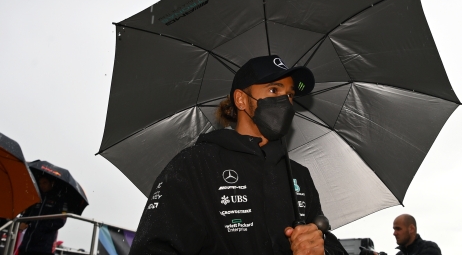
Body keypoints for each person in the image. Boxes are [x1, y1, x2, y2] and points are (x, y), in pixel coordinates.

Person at [129, 55, 348, 254]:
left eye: (289, 95)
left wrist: (320, 251)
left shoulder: (299, 176)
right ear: (241, 99)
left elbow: (327, 244)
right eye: (274, 90)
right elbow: (154, 248)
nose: (285, 102)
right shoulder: (194, 166)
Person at [18, 175, 66, 255]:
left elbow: (60, 221)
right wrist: (24, 222)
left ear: (52, 183)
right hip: (27, 243)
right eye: (40, 183)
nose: (41, 185)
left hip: (44, 246)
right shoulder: (36, 196)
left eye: (45, 183)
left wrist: (40, 227)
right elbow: (28, 214)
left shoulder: (60, 200)